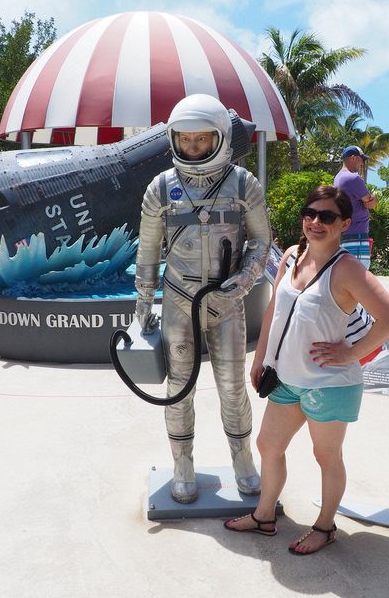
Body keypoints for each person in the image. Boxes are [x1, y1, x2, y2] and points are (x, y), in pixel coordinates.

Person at [224, 185, 389, 555]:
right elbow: (275, 308)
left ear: (345, 224)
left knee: (326, 457)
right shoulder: (291, 256)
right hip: (286, 378)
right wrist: (260, 358)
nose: (315, 222)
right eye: (310, 213)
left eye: (327, 216)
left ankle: (324, 526)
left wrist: (351, 352)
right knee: (268, 445)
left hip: (329, 384)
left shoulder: (348, 269)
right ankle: (264, 515)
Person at [134, 95, 271, 504]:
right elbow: (147, 248)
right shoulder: (160, 188)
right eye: (185, 141)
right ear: (173, 140)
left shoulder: (244, 184)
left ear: (222, 138)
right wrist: (143, 298)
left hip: (227, 299)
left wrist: (245, 280)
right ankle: (183, 464)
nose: (193, 149)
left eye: (202, 141)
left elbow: (262, 241)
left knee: (231, 386)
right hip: (179, 297)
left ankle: (243, 459)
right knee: (180, 387)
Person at [333, 146, 376, 269]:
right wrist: (374, 199)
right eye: (362, 159)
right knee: (359, 278)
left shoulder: (338, 177)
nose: (363, 163)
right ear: (353, 158)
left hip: (346, 236)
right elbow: (370, 202)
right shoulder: (353, 178)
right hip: (356, 238)